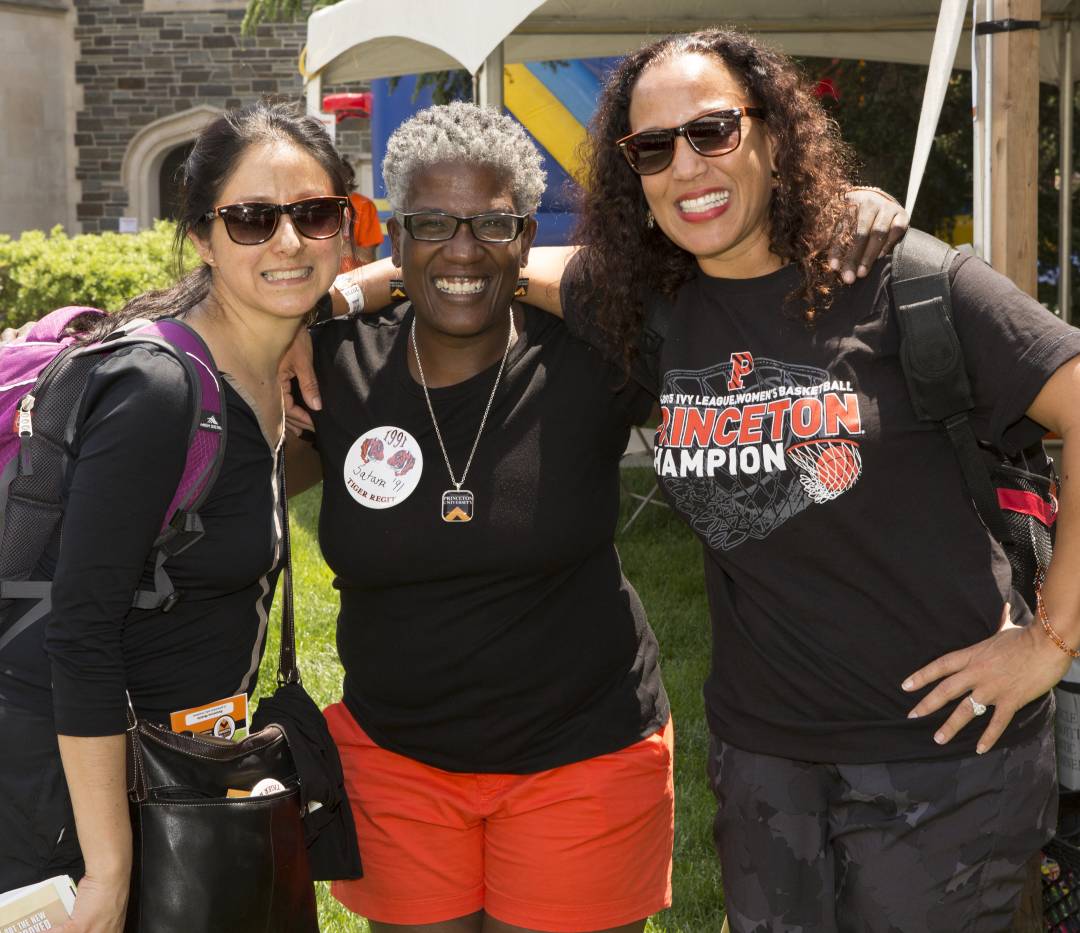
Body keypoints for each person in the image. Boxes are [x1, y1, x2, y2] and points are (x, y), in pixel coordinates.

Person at [528, 29, 1076, 932]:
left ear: (775, 135)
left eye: (712, 132)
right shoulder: (658, 305)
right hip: (765, 767)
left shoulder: (911, 284)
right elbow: (502, 266)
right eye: (653, 148)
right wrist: (358, 286)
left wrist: (1052, 641)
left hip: (943, 766)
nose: (686, 166)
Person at [288, 101, 674, 933]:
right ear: (396, 232)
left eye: (492, 224)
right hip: (398, 763)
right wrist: (315, 309)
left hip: (583, 757)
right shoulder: (334, 365)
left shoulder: (590, 351)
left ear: (529, 234)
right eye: (433, 223)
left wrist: (367, 279)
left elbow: (675, 279)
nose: (461, 249)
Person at [0, 101, 353, 932]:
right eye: (252, 220)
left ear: (345, 225)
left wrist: (344, 301)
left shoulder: (272, 376)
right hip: (68, 802)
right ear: (200, 234)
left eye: (314, 214)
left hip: (175, 782)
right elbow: (79, 632)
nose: (289, 242)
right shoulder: (159, 392)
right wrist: (109, 869)